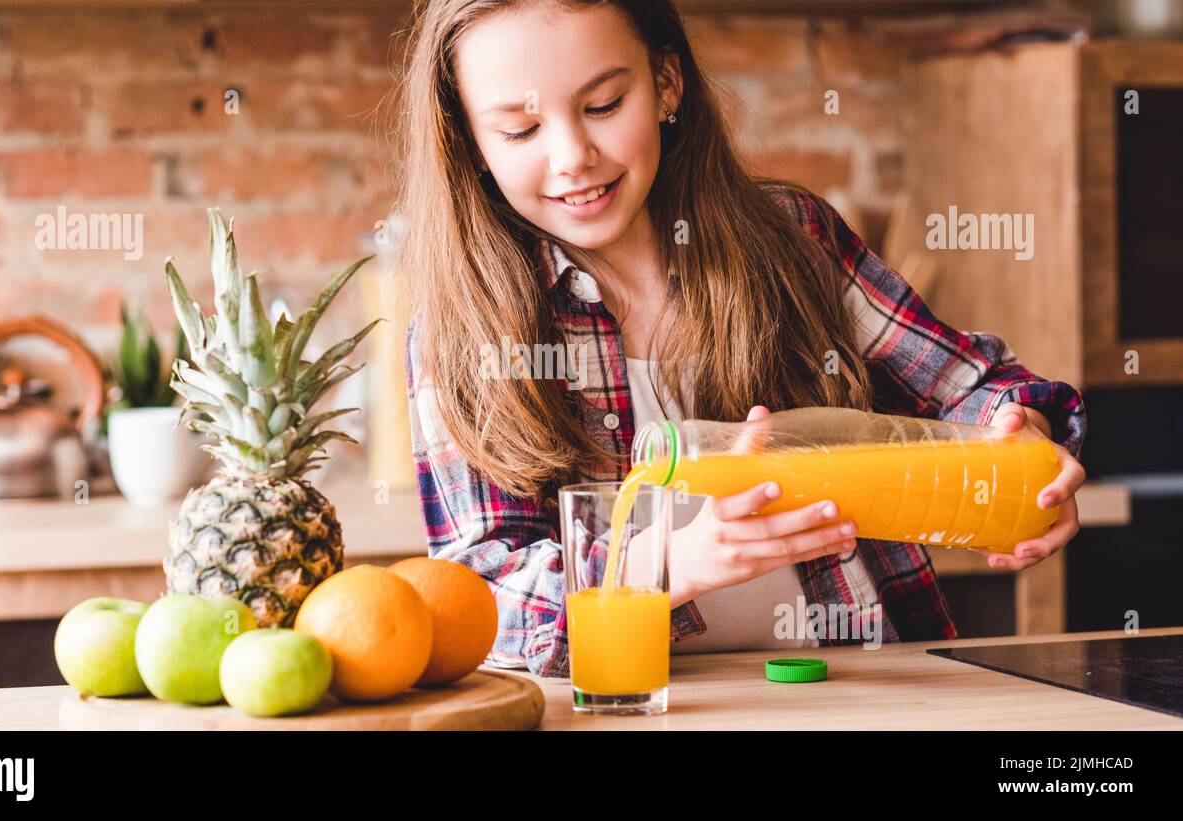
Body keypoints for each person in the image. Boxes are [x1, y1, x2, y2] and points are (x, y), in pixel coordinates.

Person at [393, 0, 1087, 677]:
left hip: (867, 687)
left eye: (603, 105)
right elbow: (480, 593)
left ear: (667, 83)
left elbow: (968, 384)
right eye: (520, 130)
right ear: (471, 143)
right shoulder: (465, 331)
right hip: (639, 708)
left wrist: (1019, 433)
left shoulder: (791, 239)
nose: (573, 156)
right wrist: (673, 562)